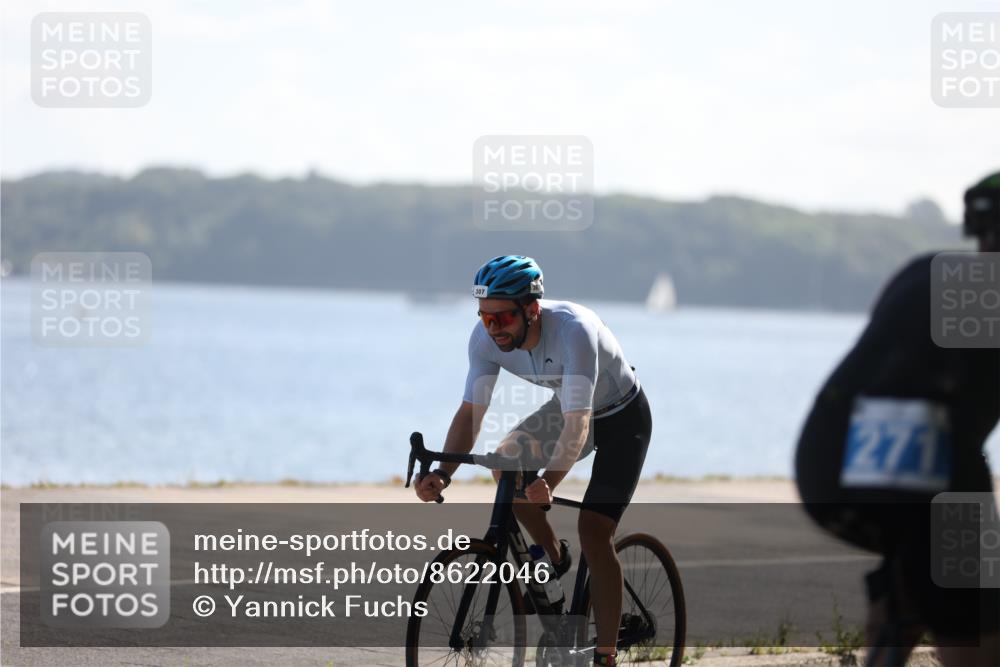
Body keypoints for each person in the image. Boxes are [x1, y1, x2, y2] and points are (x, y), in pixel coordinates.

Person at [795, 172, 1000, 666]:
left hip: (824, 466)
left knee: (928, 593)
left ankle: (899, 606)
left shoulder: (925, 271)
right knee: (976, 625)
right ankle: (902, 602)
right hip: (909, 472)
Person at [413, 255, 653, 667]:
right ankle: (553, 556)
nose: (493, 329)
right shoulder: (485, 338)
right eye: (484, 318)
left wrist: (550, 482)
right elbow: (471, 413)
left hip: (621, 418)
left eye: (502, 318)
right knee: (505, 459)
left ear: (531, 309)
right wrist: (442, 472)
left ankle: (606, 654)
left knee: (594, 531)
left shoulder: (573, 331)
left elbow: (578, 425)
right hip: (571, 409)